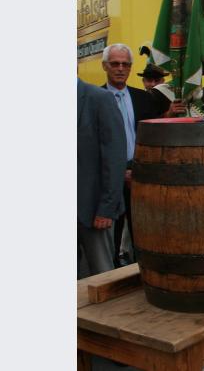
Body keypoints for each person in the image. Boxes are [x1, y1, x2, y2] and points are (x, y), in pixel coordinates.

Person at [100, 43, 159, 266]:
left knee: (143, 233)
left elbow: (152, 138)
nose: (120, 68)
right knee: (112, 239)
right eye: (115, 64)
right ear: (105, 66)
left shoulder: (143, 98)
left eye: (125, 64)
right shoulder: (95, 98)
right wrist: (119, 172)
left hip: (140, 175)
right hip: (110, 180)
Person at [77, 78, 127, 276]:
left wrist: (107, 208)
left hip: (93, 211)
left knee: (102, 277)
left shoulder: (99, 98)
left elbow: (114, 158)